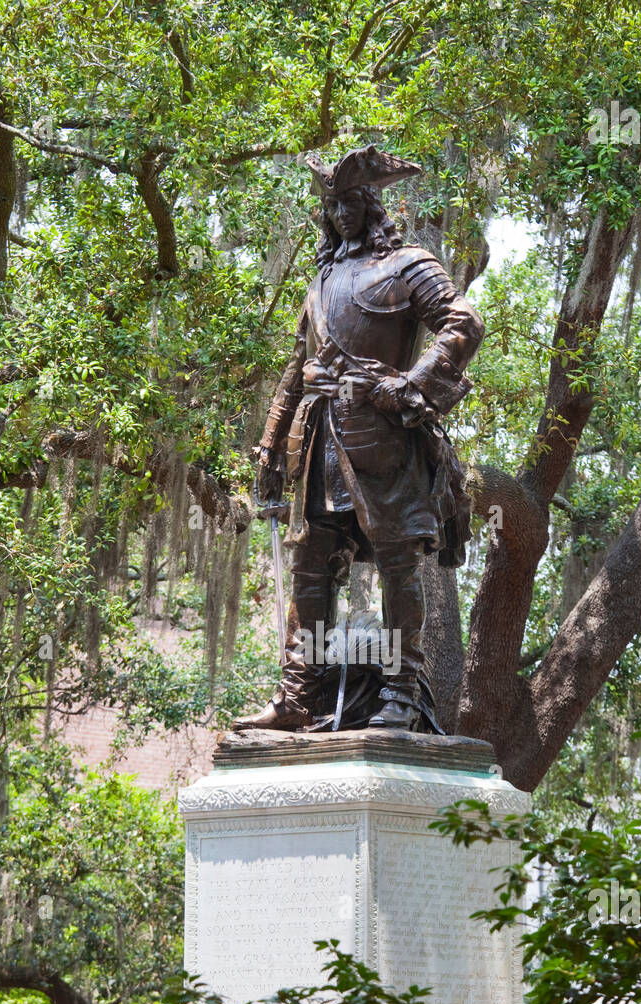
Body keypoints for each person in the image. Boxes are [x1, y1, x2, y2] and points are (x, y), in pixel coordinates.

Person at [236, 145, 484, 732]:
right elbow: (297, 368)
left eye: (352, 201)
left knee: (399, 563)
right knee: (311, 565)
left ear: (372, 204)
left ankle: (400, 692)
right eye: (333, 204)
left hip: (383, 439)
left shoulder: (407, 264)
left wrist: (412, 384)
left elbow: (463, 323)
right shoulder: (322, 278)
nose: (342, 213)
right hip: (319, 437)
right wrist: (272, 447)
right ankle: (299, 693)